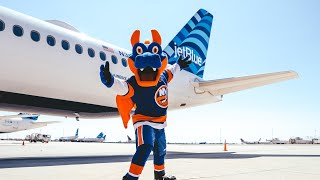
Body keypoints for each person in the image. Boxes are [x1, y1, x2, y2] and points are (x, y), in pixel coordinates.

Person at [100, 29, 190, 180]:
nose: (148, 68)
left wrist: (179, 64)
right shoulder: (134, 82)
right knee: (145, 147)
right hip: (144, 121)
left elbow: (172, 70)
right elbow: (122, 87)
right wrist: (110, 81)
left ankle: (160, 175)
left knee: (161, 150)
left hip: (161, 122)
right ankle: (130, 177)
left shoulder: (163, 77)